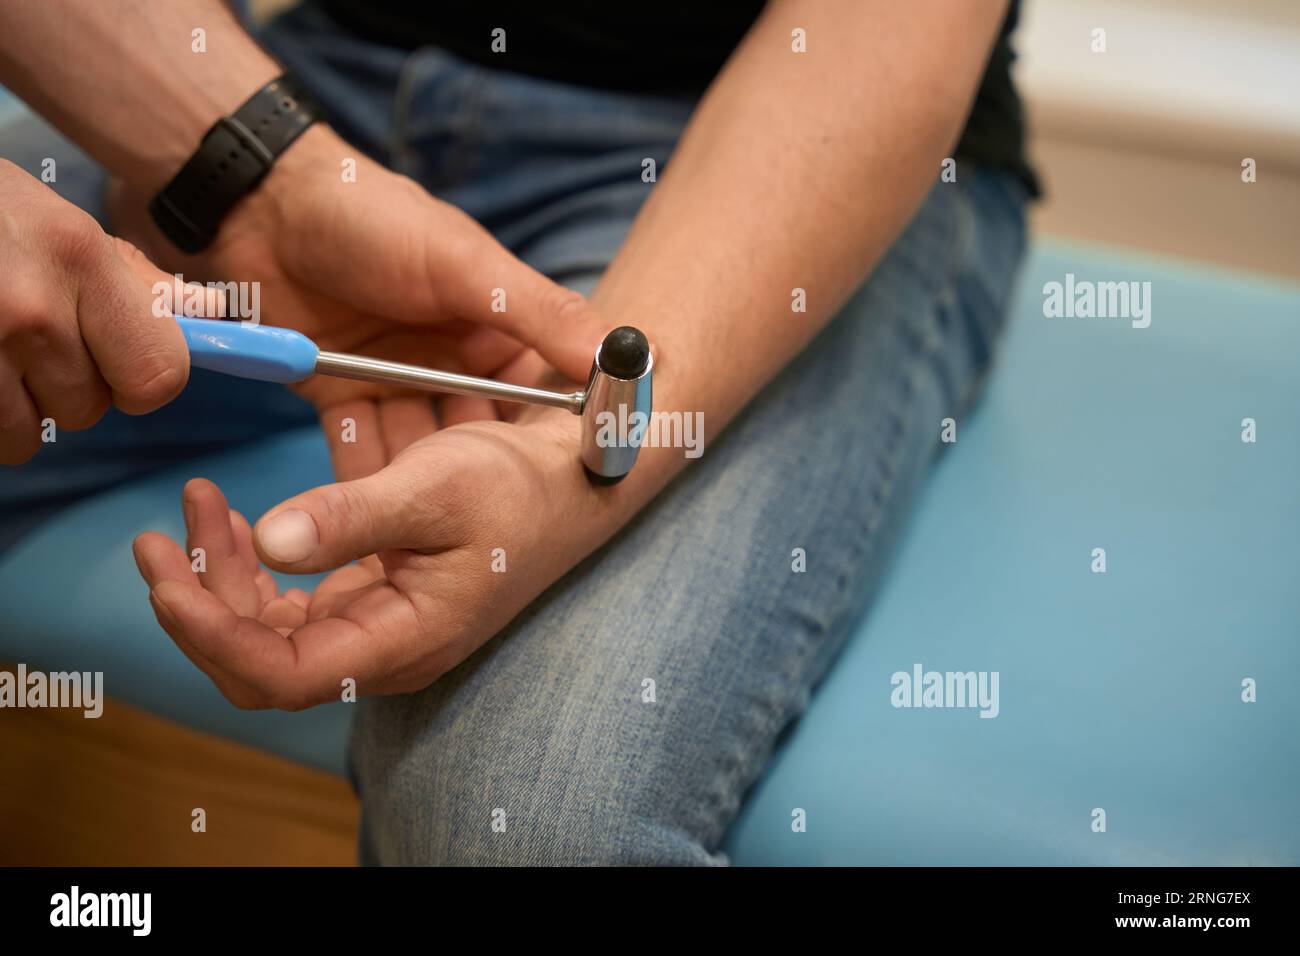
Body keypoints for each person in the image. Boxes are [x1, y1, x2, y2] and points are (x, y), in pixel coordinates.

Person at [1, 0, 1035, 864]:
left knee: (520, 815)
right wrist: (230, 169)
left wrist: (562, 476)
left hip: (779, 153)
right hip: (282, 80)